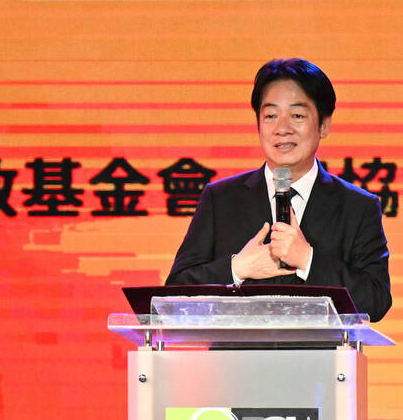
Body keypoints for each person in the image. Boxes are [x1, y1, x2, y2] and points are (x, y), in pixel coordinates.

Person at [165, 58, 391, 322]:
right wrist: (237, 268)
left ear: (324, 125)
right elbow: (174, 295)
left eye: (297, 116)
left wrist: (308, 260)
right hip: (238, 350)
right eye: (271, 116)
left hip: (320, 350)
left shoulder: (358, 207)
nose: (282, 129)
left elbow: (376, 301)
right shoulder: (221, 199)